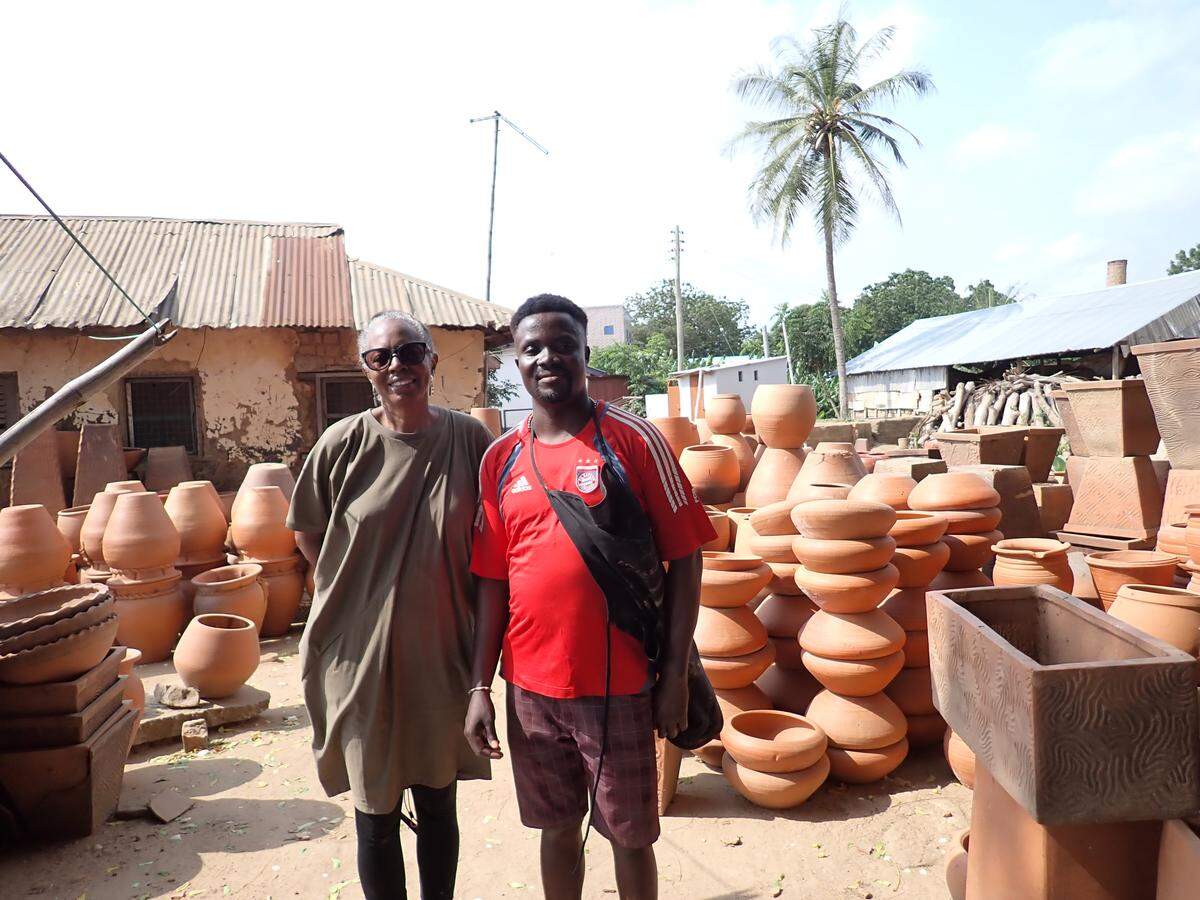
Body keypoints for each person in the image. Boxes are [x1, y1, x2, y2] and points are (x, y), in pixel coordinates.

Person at [465, 294, 715, 899]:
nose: (548, 357)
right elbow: (493, 584)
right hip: (529, 690)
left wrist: (675, 674)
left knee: (630, 835)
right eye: (532, 349)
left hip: (621, 683)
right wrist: (479, 687)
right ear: (515, 363)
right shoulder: (500, 459)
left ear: (584, 353)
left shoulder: (632, 441)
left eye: (563, 345)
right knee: (555, 830)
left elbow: (686, 557)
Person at [288, 310, 494, 900]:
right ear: (366, 370)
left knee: (436, 801)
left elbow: (493, 538)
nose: (397, 366)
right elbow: (309, 532)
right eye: (382, 357)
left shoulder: (469, 440)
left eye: (409, 352)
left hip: (440, 655)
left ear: (431, 358)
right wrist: (355, 588)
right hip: (355, 659)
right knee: (375, 816)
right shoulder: (342, 444)